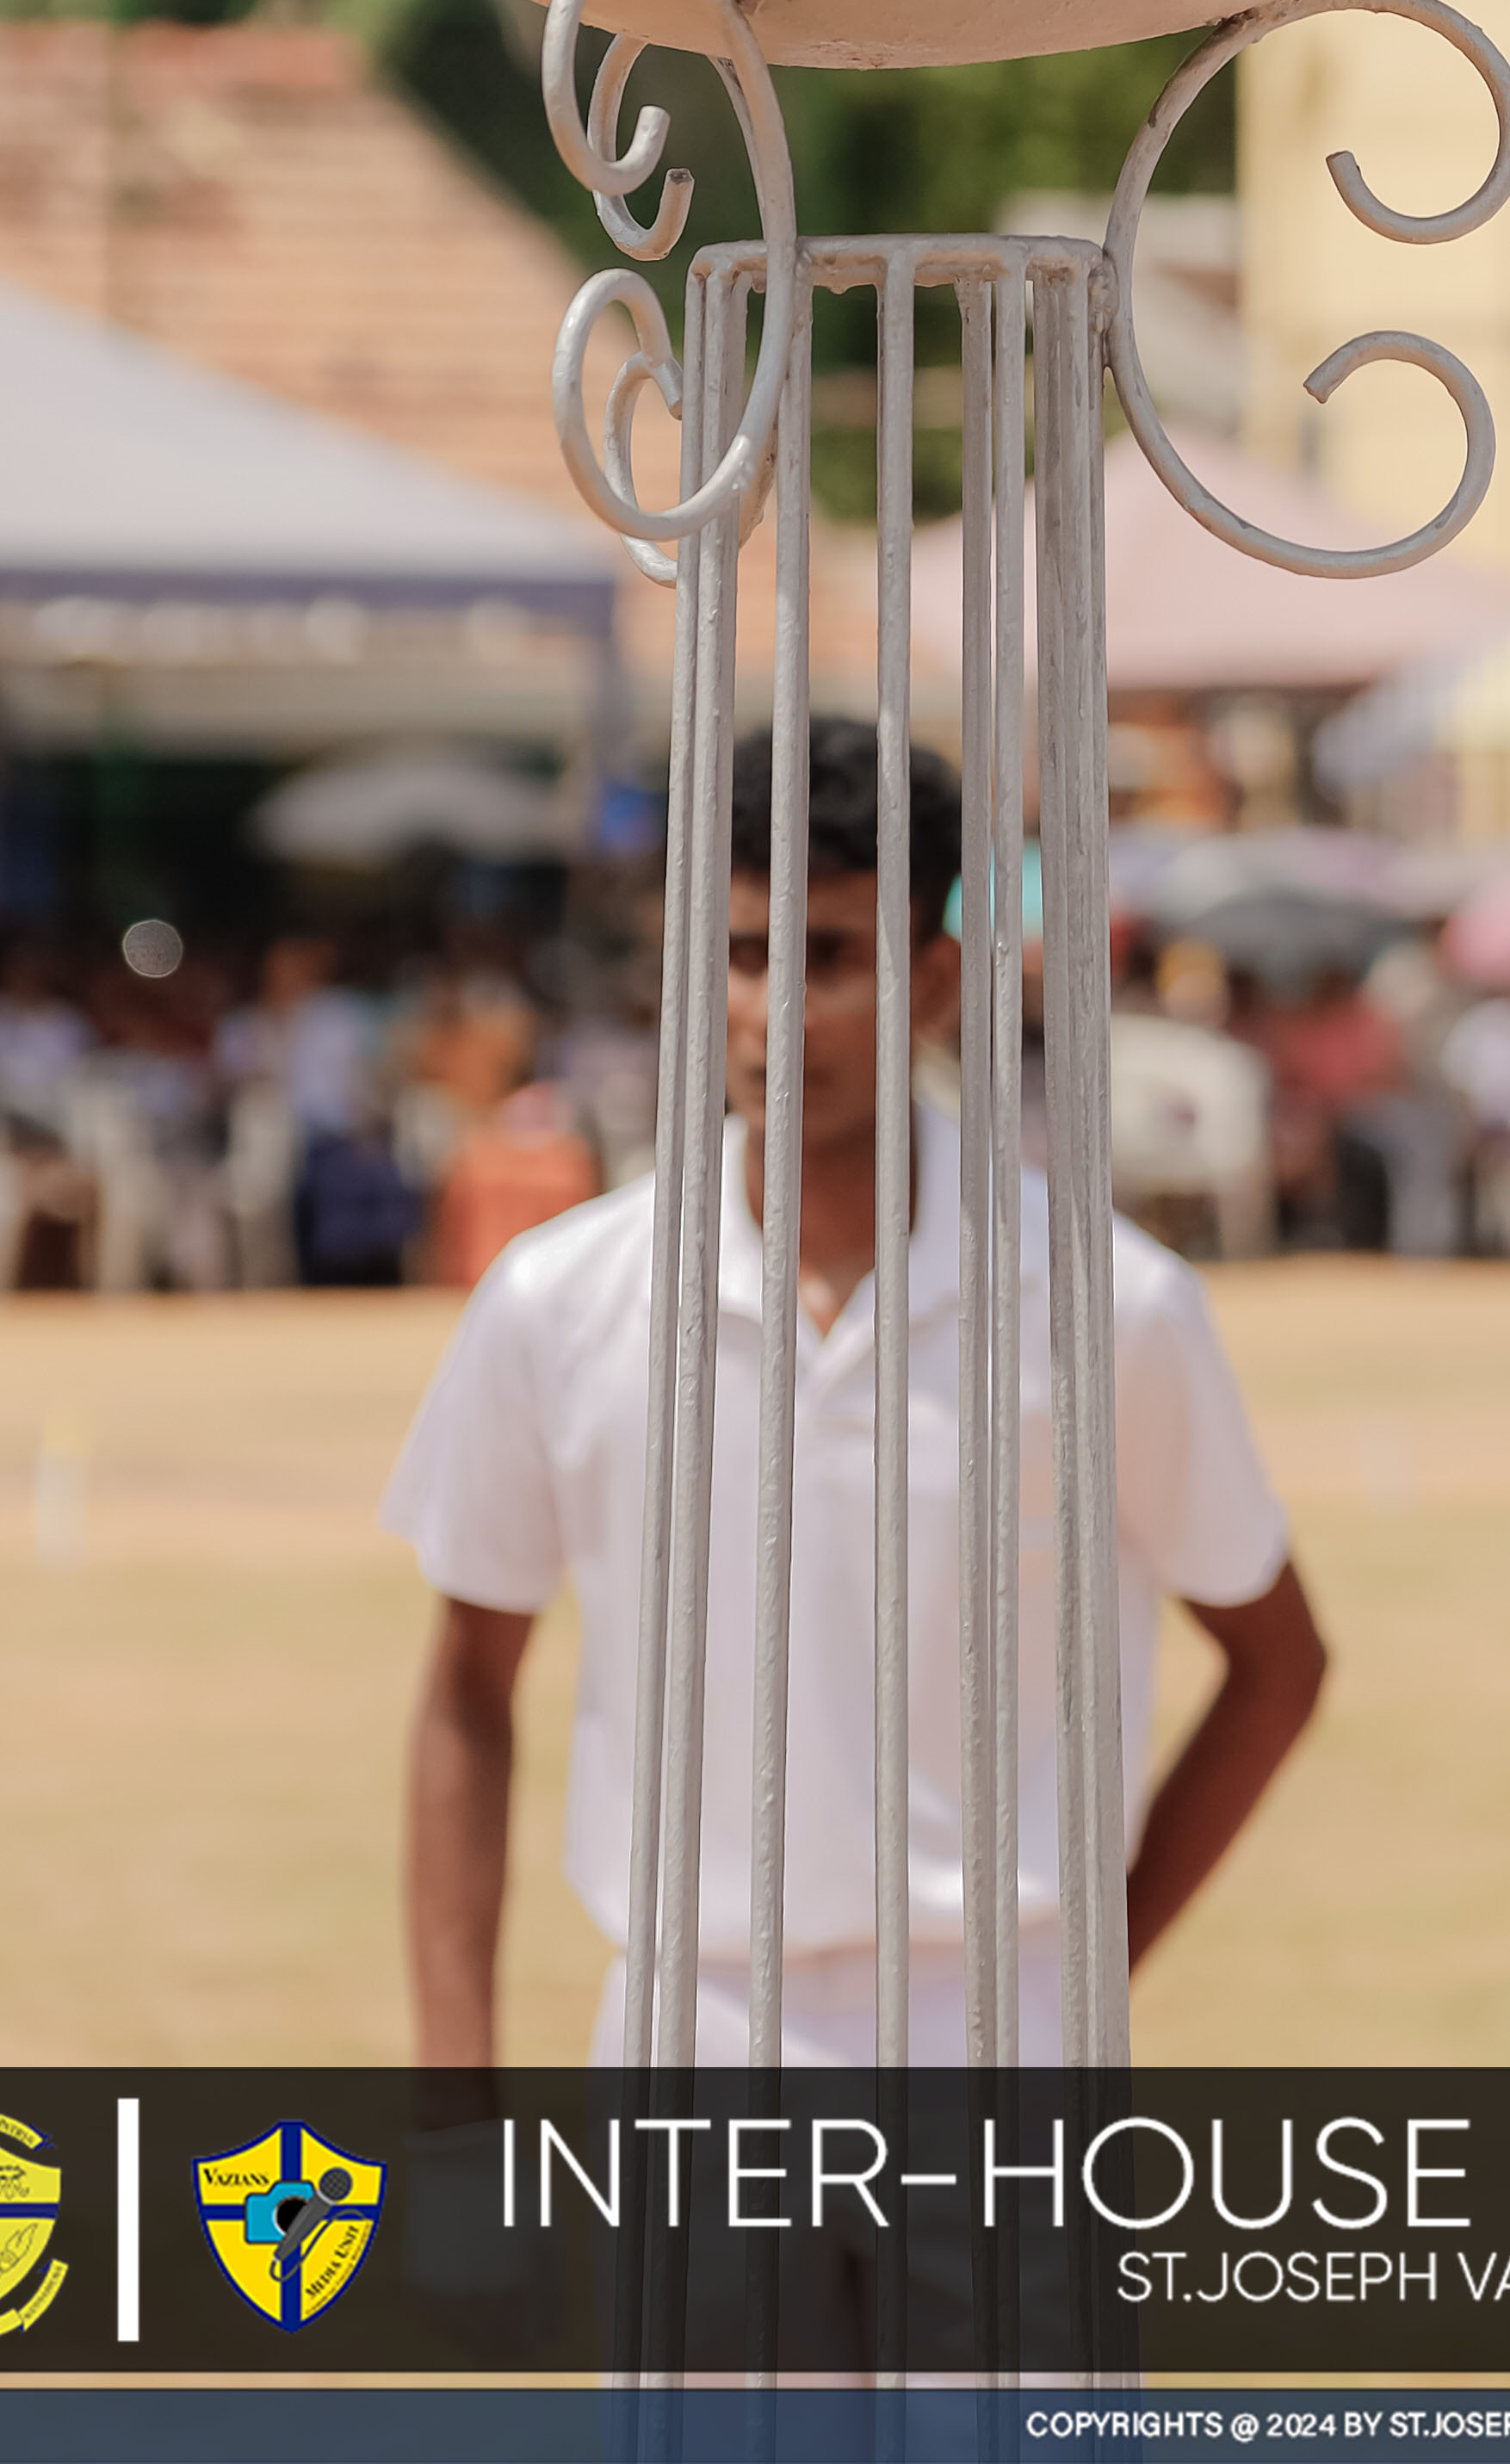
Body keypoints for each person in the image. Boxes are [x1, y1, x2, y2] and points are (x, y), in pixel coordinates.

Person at [390, 718, 1324, 2062]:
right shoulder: (563, 1303)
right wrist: (450, 2107)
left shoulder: (1106, 1308)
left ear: (939, 981)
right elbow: (468, 1687)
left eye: (827, 958)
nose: (771, 1011)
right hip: (690, 2027)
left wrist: (1089, 1970)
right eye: (737, 954)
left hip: (1000, 2034)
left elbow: (1278, 1662)